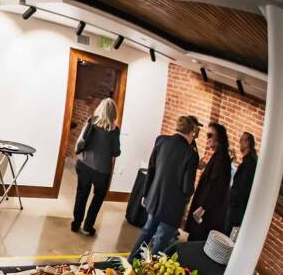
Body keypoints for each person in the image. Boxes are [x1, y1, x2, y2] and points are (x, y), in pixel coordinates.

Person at [129, 115, 201, 260]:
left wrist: (145, 194)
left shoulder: (161, 140)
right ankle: (148, 269)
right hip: (173, 208)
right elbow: (187, 188)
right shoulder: (191, 155)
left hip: (154, 199)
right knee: (160, 242)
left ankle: (131, 262)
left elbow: (151, 170)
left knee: (146, 231)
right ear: (191, 132)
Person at [71, 98, 121, 236]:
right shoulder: (114, 130)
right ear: (113, 113)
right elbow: (116, 152)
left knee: (81, 195)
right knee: (98, 198)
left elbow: (82, 140)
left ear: (100, 108)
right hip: (102, 171)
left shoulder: (91, 121)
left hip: (84, 165)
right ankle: (88, 227)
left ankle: (76, 224)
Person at [184, 123, 232, 241]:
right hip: (206, 208)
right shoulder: (219, 155)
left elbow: (215, 184)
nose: (208, 139)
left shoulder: (222, 157)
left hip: (207, 211)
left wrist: (203, 207)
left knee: (197, 240)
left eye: (210, 135)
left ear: (219, 137)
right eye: (207, 135)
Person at [227, 131, 258, 234]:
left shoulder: (249, 164)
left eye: (241, 140)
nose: (239, 142)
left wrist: (231, 201)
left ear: (247, 143)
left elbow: (242, 188)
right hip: (236, 207)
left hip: (236, 208)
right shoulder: (248, 162)